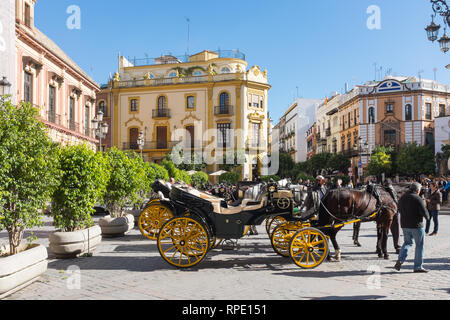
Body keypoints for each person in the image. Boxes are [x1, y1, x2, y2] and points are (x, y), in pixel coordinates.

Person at [394, 182, 430, 273]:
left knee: (407, 243)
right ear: (417, 190)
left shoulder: (402, 198)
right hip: (417, 225)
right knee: (419, 245)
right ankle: (417, 266)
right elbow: (425, 214)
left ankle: (400, 259)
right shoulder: (418, 198)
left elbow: (399, 209)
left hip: (405, 225)